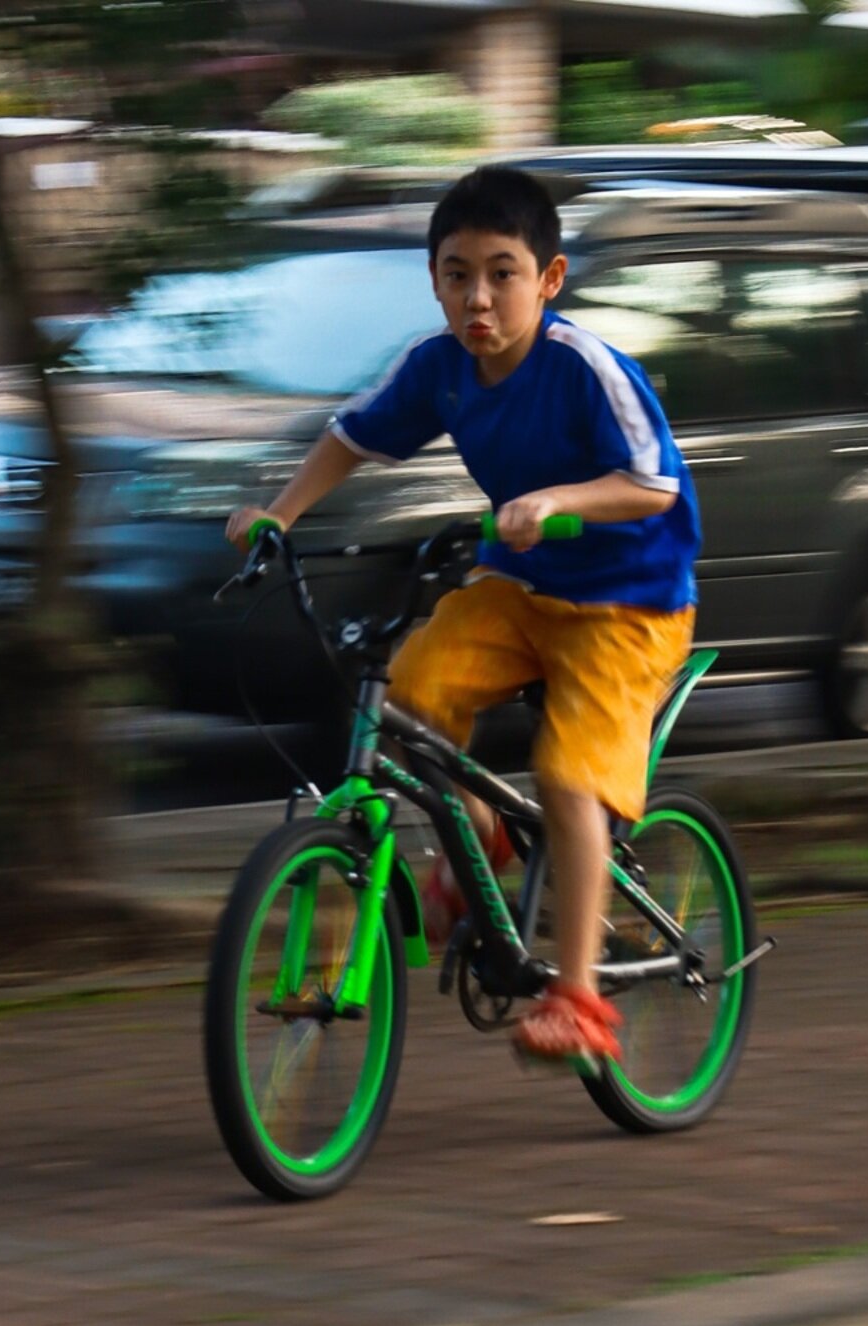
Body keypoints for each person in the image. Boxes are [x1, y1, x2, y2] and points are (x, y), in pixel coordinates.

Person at [226, 166, 699, 1066]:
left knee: (567, 776)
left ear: (549, 280)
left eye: (502, 272)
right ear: (434, 278)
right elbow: (353, 436)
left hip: (627, 606)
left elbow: (652, 484)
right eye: (456, 274)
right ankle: (480, 840)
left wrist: (555, 499)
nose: (478, 297)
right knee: (404, 695)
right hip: (517, 589)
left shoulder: (587, 369)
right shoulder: (437, 368)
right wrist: (277, 516)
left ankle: (581, 996)